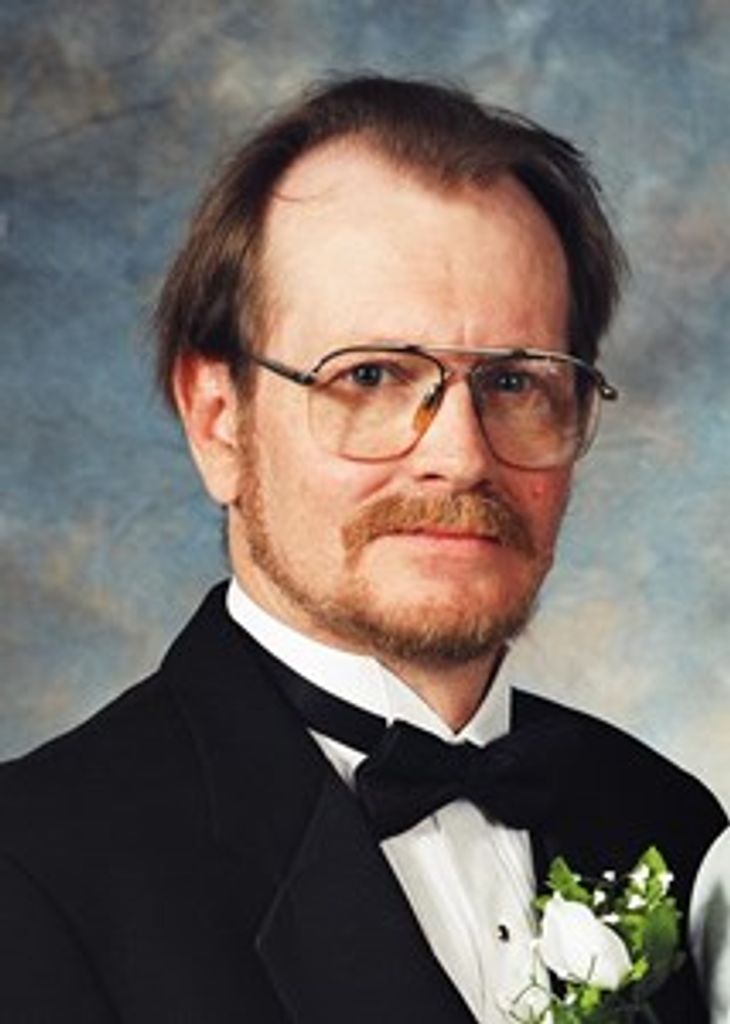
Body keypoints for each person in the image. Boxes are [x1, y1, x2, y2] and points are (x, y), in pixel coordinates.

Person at [0, 75, 726, 1023]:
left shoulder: (671, 828)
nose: (461, 456)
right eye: (372, 375)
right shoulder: (33, 875)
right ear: (218, 421)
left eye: (515, 382)